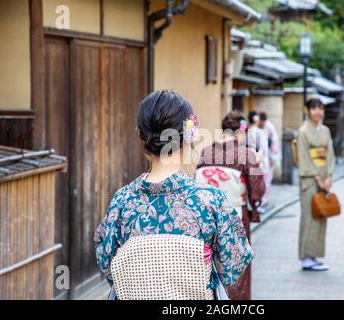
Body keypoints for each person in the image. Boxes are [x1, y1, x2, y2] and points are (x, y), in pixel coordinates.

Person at [93, 90, 254, 300]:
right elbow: (234, 264)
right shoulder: (210, 201)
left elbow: (107, 263)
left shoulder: (122, 201)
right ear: (189, 136)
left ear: (141, 135)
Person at [196, 111, 265, 300]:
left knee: (211, 264)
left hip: (207, 218)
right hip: (235, 216)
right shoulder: (246, 154)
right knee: (237, 268)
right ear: (241, 131)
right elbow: (258, 190)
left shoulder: (206, 151)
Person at [297, 98, 335, 271]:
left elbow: (330, 154)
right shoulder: (303, 131)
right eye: (314, 109)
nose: (318, 112)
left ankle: (314, 255)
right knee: (309, 217)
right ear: (308, 110)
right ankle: (306, 257)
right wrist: (318, 178)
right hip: (309, 180)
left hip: (323, 178)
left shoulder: (325, 130)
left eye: (320, 109)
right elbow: (303, 156)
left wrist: (329, 177)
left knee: (321, 216)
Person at [258, 112, 281, 207]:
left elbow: (275, 140)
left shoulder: (269, 127)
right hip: (261, 155)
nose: (262, 123)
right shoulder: (256, 127)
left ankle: (264, 198)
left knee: (267, 179)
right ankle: (260, 199)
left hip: (269, 155)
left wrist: (273, 155)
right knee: (260, 179)